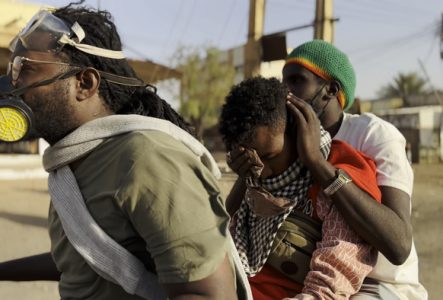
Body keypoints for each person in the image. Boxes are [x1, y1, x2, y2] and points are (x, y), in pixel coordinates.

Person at [0, 3, 251, 300]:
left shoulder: (146, 157)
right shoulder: (76, 160)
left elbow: (206, 294)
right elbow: (86, 256)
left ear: (84, 83)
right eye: (12, 70)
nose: (12, 85)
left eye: (24, 69)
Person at [282, 40, 427, 299]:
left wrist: (318, 164)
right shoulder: (289, 140)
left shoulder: (373, 134)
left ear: (330, 89)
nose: (287, 92)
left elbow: (399, 245)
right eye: (284, 82)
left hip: (378, 285)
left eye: (296, 81)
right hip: (314, 279)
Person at [219, 76, 382, 299]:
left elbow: (328, 285)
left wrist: (315, 161)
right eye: (251, 161)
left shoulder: (341, 173)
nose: (262, 172)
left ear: (297, 130)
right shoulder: (253, 176)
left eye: (270, 156)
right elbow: (225, 240)